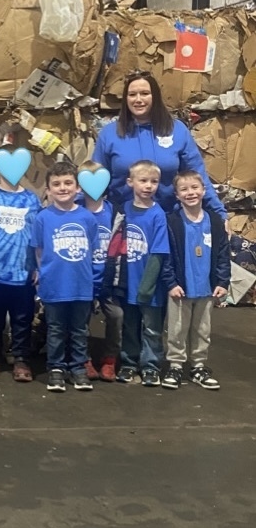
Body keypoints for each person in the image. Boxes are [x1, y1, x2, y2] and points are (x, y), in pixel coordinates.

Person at [93, 71, 226, 217]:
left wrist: (219, 213)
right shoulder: (110, 133)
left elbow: (198, 175)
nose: (138, 99)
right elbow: (95, 181)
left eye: (144, 93)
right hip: (122, 220)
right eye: (132, 95)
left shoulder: (177, 130)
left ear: (155, 96)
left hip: (168, 218)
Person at [101, 160, 170, 387]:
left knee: (152, 328)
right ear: (130, 182)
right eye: (143, 180)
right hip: (127, 284)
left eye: (154, 181)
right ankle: (129, 362)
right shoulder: (124, 211)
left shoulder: (158, 214)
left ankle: (150, 366)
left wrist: (147, 287)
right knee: (130, 327)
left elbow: (159, 253)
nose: (148, 186)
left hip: (150, 288)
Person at [30, 161, 98, 393]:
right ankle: (56, 368)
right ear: (48, 190)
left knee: (79, 330)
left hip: (81, 285)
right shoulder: (43, 218)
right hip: (54, 285)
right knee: (56, 329)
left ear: (78, 188)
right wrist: (44, 274)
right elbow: (39, 250)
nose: (62, 188)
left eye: (68, 183)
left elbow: (91, 249)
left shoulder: (87, 218)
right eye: (56, 184)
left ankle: (78, 368)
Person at [0, 150, 40, 384]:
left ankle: (21, 357)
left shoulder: (32, 200)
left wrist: (37, 267)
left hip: (23, 274)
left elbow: (37, 238)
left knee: (23, 320)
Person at [161, 171, 230, 390]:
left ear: (203, 190)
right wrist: (171, 282)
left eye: (194, 188)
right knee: (177, 329)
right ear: (177, 195)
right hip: (181, 288)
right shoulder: (172, 222)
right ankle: (175, 365)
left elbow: (222, 253)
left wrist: (222, 281)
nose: (190, 193)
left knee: (202, 329)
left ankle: (198, 365)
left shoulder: (216, 221)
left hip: (206, 288)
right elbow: (166, 256)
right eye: (184, 189)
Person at [78, 160, 117, 382]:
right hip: (83, 277)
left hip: (108, 278)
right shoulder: (75, 208)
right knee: (80, 320)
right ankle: (84, 359)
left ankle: (110, 360)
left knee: (117, 315)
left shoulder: (114, 212)